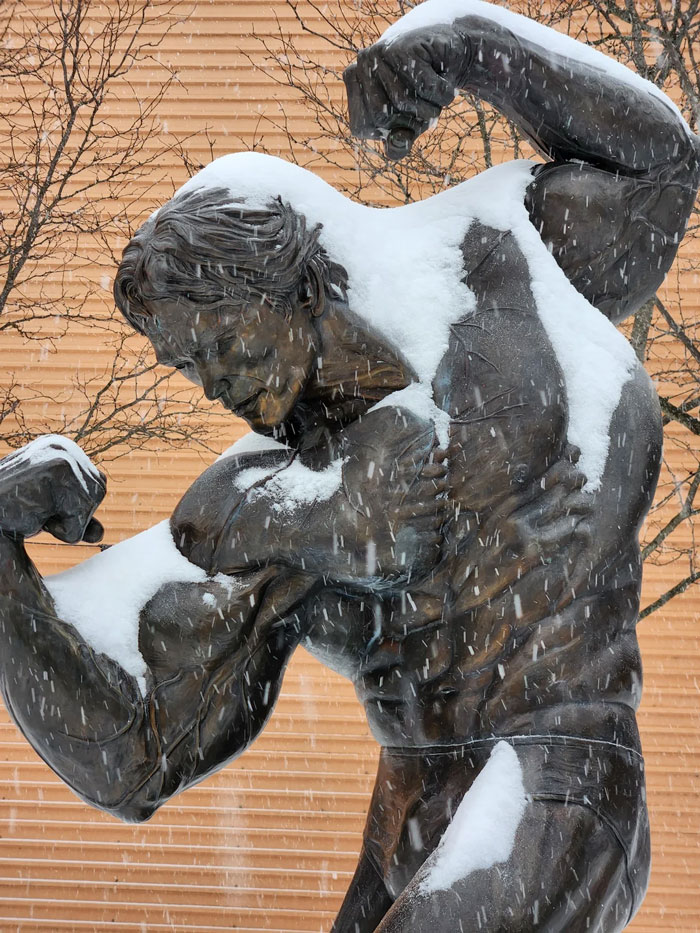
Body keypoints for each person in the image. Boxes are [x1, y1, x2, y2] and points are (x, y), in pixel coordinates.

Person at [0, 2, 698, 929]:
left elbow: (658, 166)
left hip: (559, 776)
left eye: (213, 343)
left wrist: (469, 46)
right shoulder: (263, 501)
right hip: (412, 811)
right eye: (187, 367)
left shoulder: (503, 263)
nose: (212, 383)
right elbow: (130, 751)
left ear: (284, 276)